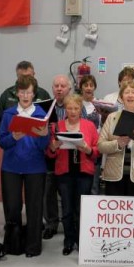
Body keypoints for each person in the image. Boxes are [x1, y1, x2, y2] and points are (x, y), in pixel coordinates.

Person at [0, 75, 49, 257]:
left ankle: (33, 247)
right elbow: (2, 142)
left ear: (34, 94)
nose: (25, 96)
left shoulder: (41, 115)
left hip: (35, 167)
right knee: (12, 207)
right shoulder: (9, 114)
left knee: (34, 208)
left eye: (28, 92)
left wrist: (43, 135)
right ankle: (14, 245)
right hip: (11, 167)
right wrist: (13, 137)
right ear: (17, 93)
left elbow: (45, 147)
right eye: (22, 92)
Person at [47, 94, 99, 255]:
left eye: (76, 108)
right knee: (67, 209)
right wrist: (54, 147)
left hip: (84, 172)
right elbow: (50, 153)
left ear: (80, 109)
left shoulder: (89, 126)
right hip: (64, 172)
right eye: (69, 108)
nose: (73, 111)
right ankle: (69, 240)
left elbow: (97, 150)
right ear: (65, 110)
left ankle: (82, 240)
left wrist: (88, 149)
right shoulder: (58, 126)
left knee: (81, 209)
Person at [42, 75, 88, 240]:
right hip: (50, 155)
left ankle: (75, 228)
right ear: (52, 88)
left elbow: (85, 127)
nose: (59, 89)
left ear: (69, 88)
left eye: (63, 86)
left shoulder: (77, 106)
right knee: (49, 192)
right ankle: (51, 224)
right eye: (56, 86)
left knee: (69, 196)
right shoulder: (46, 107)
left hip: (72, 156)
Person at [98, 80, 134, 196]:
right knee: (117, 213)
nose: (130, 95)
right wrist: (117, 144)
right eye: (126, 92)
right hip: (114, 175)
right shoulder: (112, 117)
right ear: (121, 97)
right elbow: (100, 146)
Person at [0, 61, 51, 131]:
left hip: (37, 138)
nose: (26, 80)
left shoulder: (43, 94)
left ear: (34, 74)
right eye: (22, 77)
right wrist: (7, 134)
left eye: (29, 76)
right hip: (11, 137)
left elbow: (50, 120)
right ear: (17, 76)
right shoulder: (7, 94)